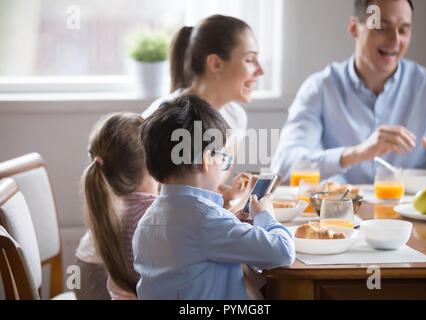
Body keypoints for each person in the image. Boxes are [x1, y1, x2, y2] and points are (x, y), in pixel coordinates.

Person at [133, 95, 295, 299]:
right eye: (222, 157)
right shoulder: (204, 219)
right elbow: (282, 252)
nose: (224, 165)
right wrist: (266, 216)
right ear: (205, 160)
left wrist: (230, 224)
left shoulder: (148, 220)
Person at [271, 0, 426, 184]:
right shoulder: (320, 88)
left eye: (403, 30)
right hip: (337, 210)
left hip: (409, 211)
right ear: (354, 27)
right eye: (382, 28)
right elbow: (283, 168)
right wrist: (356, 153)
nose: (395, 41)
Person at [142, 14, 265, 206]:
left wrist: (237, 196)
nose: (260, 70)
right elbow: (151, 208)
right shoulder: (163, 118)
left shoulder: (235, 117)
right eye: (250, 59)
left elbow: (206, 199)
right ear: (215, 64)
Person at [76, 112, 159, 300]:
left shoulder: (112, 196)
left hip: (83, 272)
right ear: (151, 163)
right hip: (102, 283)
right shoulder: (152, 211)